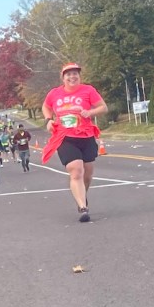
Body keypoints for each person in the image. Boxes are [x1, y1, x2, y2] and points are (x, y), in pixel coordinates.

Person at [41, 62, 108, 222]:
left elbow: (103, 108)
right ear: (63, 77)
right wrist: (48, 120)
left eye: (75, 73)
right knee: (76, 170)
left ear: (79, 76)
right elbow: (46, 106)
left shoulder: (88, 90)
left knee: (87, 173)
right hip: (64, 137)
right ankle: (83, 207)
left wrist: (89, 112)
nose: (72, 77)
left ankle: (82, 195)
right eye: (68, 74)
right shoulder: (54, 93)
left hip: (86, 135)